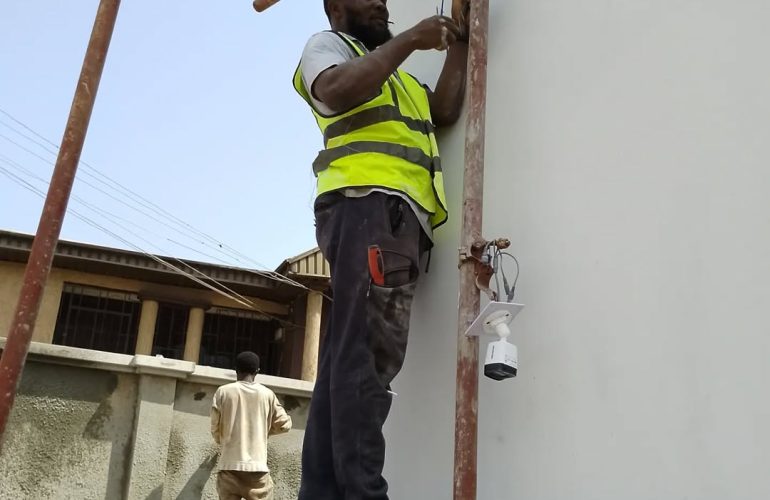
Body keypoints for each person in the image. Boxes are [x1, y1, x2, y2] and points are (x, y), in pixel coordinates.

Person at [293, 1, 469, 498]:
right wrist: (413, 39)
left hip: (384, 219)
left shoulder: (399, 82)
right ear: (336, 7)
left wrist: (460, 37)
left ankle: (325, 491)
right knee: (366, 362)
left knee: (344, 363)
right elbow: (333, 91)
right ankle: (363, 491)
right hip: (370, 209)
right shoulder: (328, 50)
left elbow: (445, 110)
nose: (381, 2)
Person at [211, 351, 292, 500]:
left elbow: (215, 428)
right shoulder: (267, 394)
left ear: (236, 370)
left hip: (228, 467)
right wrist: (264, 431)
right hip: (257, 470)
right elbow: (285, 425)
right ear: (257, 372)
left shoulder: (223, 392)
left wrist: (222, 440)